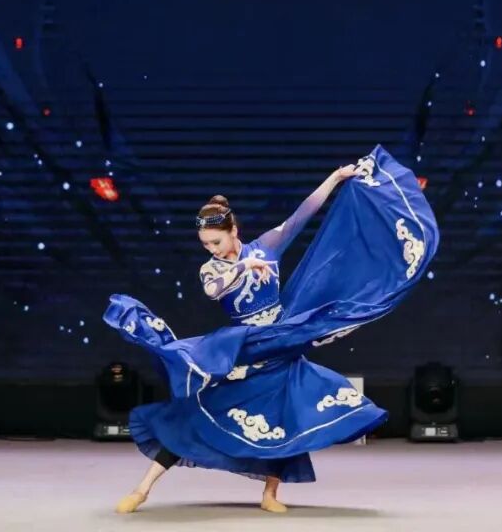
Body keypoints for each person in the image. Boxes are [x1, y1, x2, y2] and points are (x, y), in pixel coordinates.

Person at [104, 145, 438, 514]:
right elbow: (214, 289)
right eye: (206, 244)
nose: (211, 249)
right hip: (248, 347)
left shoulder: (266, 248)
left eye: (216, 242)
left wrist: (335, 178)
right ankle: (142, 489)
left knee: (285, 418)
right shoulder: (212, 269)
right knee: (195, 415)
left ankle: (270, 494)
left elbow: (302, 215)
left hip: (281, 341)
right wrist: (243, 267)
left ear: (234, 230)